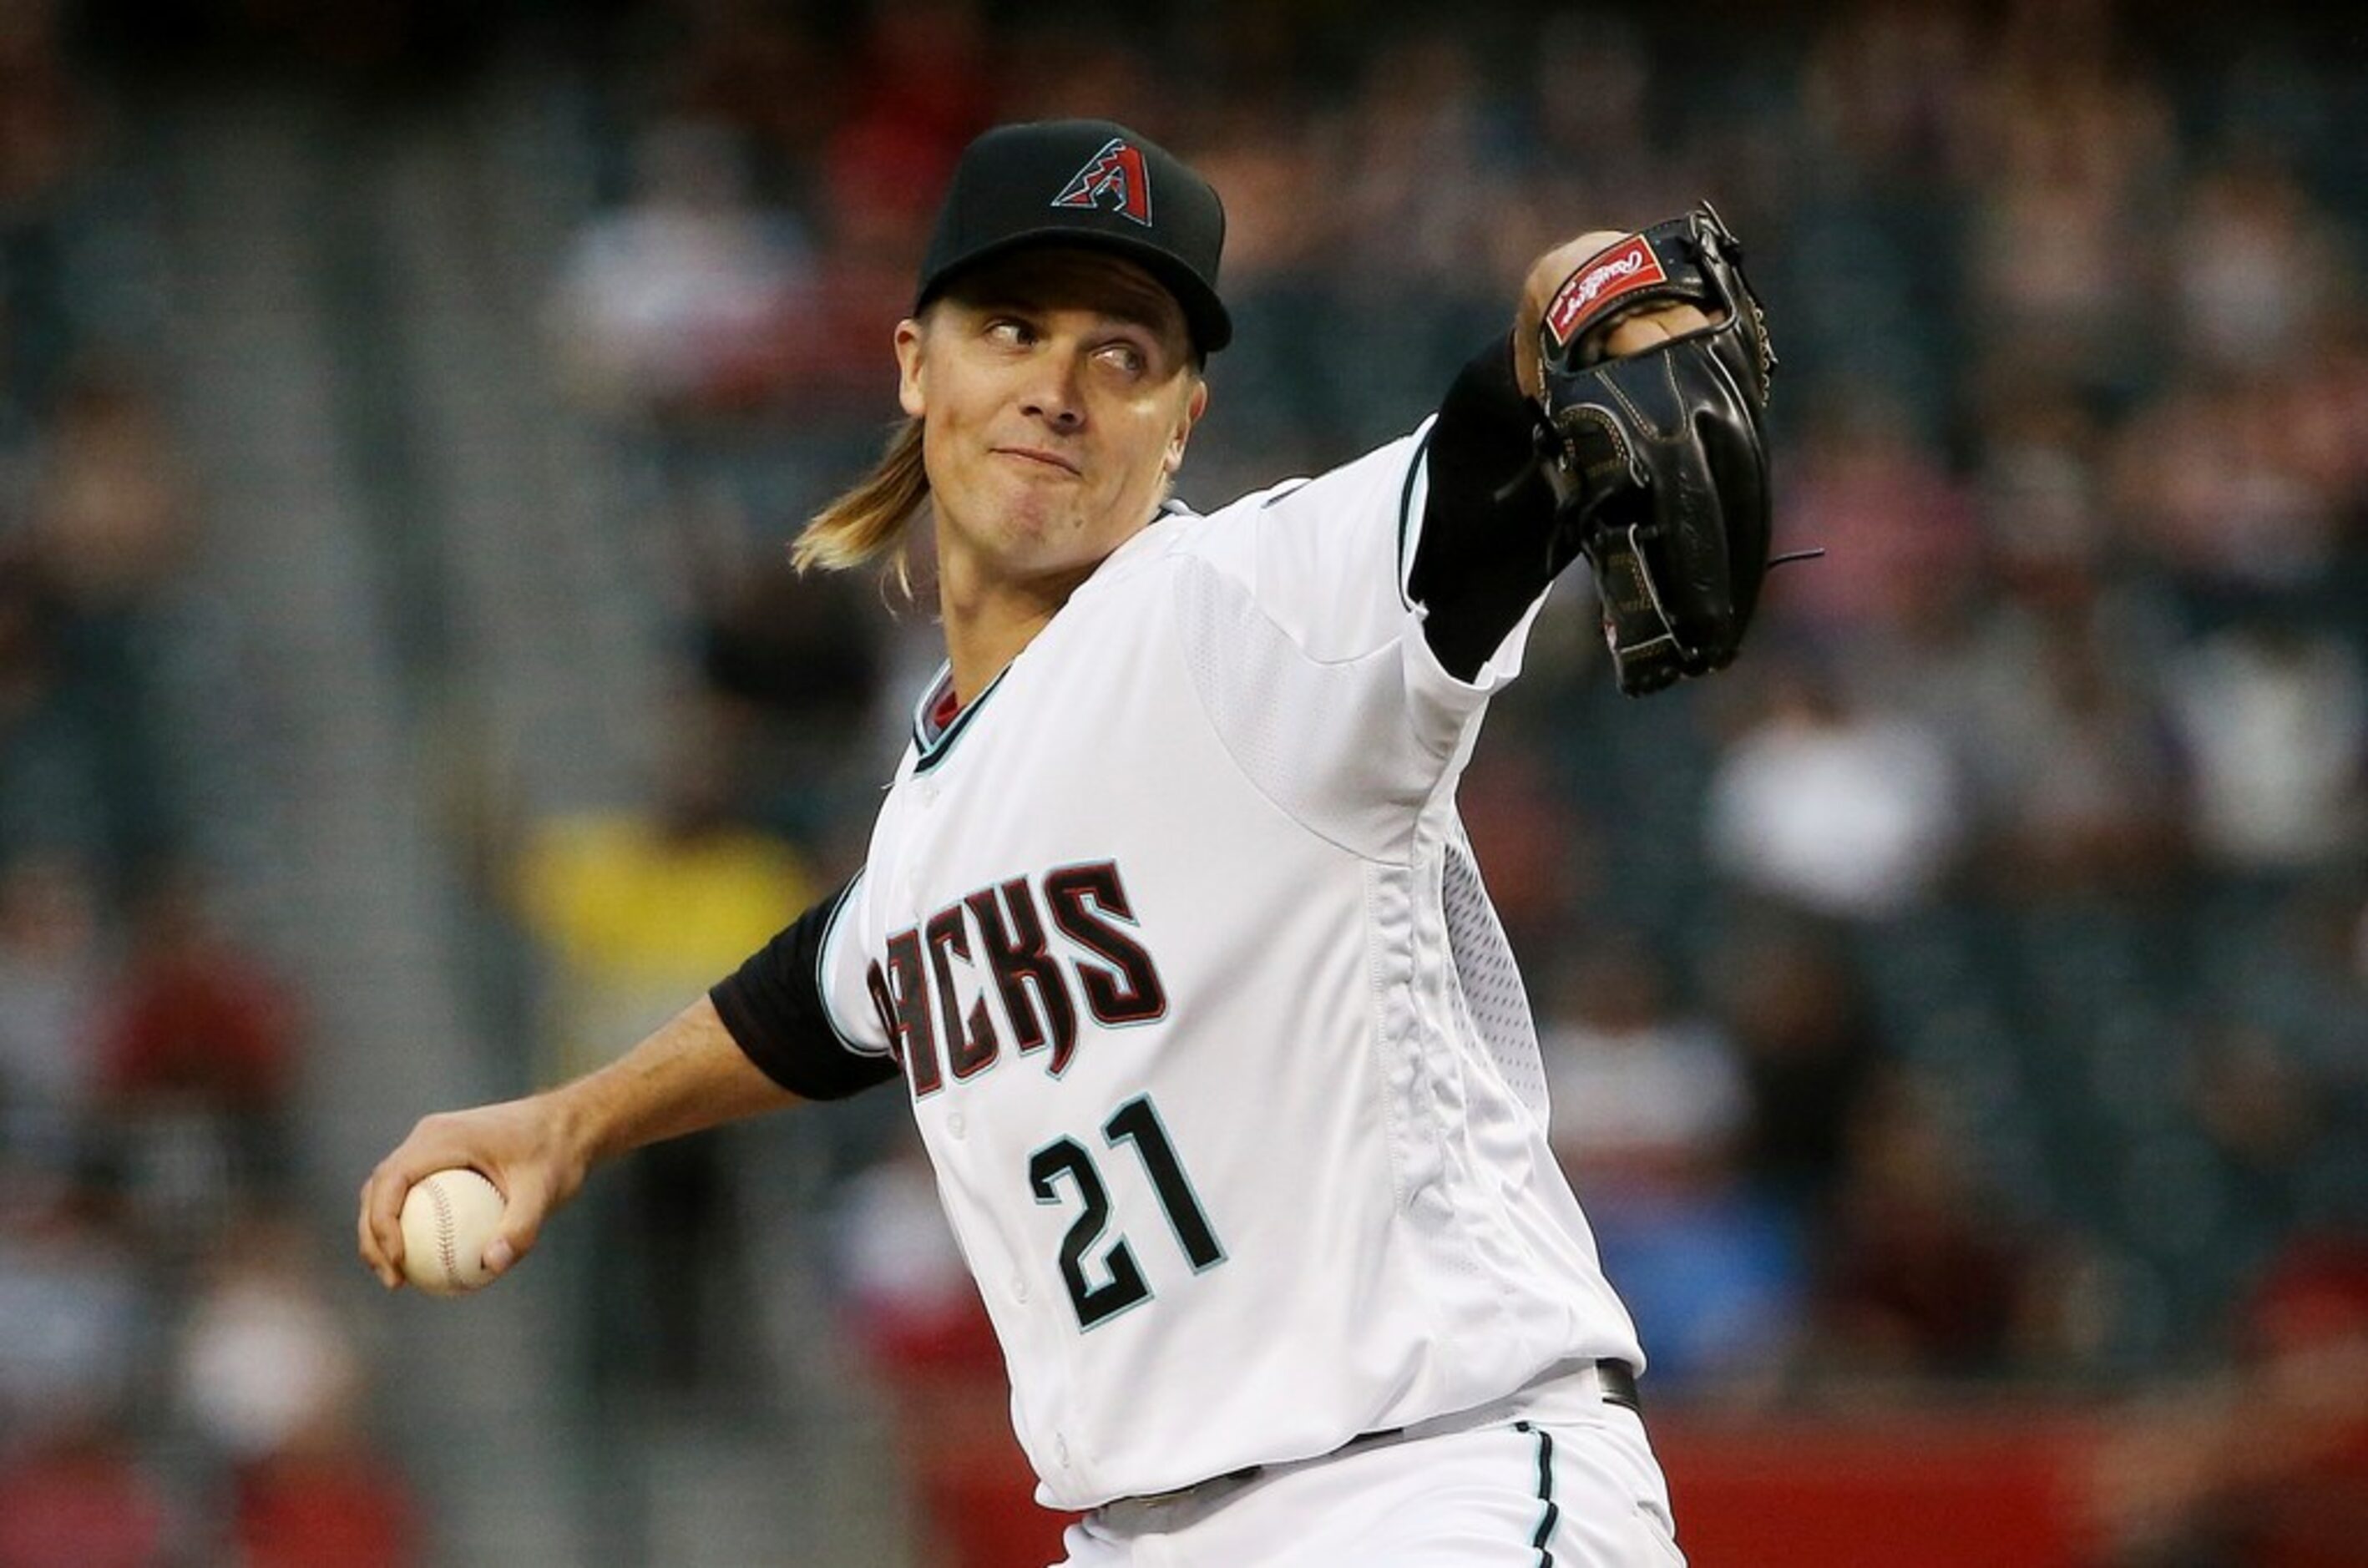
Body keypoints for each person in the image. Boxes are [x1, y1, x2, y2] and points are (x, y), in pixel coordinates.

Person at [360, 117, 1760, 1565]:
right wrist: (564, 1123)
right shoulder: (933, 809)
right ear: (916, 362)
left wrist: (1568, 291)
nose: (1057, 389)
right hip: (1138, 1532)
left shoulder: (1244, 607)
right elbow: (832, 988)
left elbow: (1487, 450)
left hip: (1425, 1487)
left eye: (1123, 352)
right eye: (1013, 327)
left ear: (1185, 420)